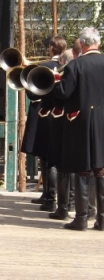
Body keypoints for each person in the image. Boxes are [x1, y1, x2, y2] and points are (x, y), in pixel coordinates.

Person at [53, 26, 104, 231]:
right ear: (98, 43)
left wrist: (56, 81)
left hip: (81, 121)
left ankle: (81, 218)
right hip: (102, 121)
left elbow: (64, 93)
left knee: (83, 167)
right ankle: (101, 219)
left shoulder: (75, 65)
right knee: (101, 168)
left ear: (82, 44)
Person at [23, 35, 67, 212]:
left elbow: (32, 94)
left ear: (51, 49)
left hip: (43, 115)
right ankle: (50, 195)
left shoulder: (43, 67)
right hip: (59, 116)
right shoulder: (68, 67)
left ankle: (49, 196)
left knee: (46, 157)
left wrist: (28, 72)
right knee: (53, 156)